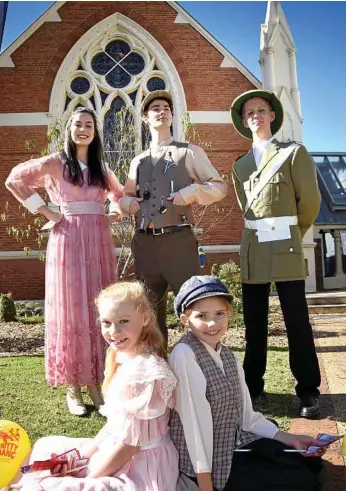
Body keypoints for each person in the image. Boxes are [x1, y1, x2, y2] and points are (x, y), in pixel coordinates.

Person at [5, 108, 124, 416]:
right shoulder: (56, 162)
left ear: (95, 131)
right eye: (78, 124)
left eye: (89, 125)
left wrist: (115, 210)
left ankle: (97, 383)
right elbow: (15, 180)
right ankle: (73, 387)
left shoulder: (101, 166)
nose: (83, 129)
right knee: (71, 308)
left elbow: (120, 194)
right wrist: (46, 211)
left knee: (99, 307)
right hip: (68, 239)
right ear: (69, 129)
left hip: (98, 240)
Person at [9, 281, 179, 491]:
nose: (114, 331)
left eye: (123, 321)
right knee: (47, 451)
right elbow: (114, 429)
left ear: (145, 318)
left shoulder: (145, 371)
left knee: (60, 486)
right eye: (106, 322)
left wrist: (90, 476)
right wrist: (80, 459)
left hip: (143, 467)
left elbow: (130, 446)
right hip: (116, 447)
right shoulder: (122, 356)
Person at [169, 275, 324, 491]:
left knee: (310, 461)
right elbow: (195, 427)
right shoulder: (184, 354)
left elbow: (246, 417)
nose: (212, 323)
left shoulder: (227, 355)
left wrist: (289, 438)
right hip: (208, 465)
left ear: (228, 315)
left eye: (219, 314)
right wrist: (205, 485)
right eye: (202, 316)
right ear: (185, 320)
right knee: (303, 483)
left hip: (234, 443)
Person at [230, 89, 321, 418]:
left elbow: (309, 203)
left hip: (286, 245)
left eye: (261, 110)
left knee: (297, 322)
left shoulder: (294, 153)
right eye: (250, 111)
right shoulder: (239, 166)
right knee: (254, 324)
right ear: (244, 121)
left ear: (272, 117)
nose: (256, 115)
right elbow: (247, 209)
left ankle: (308, 390)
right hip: (254, 249)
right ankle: (252, 385)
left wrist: (293, 235)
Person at [119, 90, 228, 341]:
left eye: (166, 108)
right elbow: (125, 197)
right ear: (146, 117)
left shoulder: (189, 152)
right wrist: (128, 203)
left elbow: (219, 187)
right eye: (155, 108)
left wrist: (192, 192)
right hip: (144, 244)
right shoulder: (138, 161)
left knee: (195, 305)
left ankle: (202, 358)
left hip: (179, 240)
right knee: (150, 312)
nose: (162, 111)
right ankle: (160, 366)